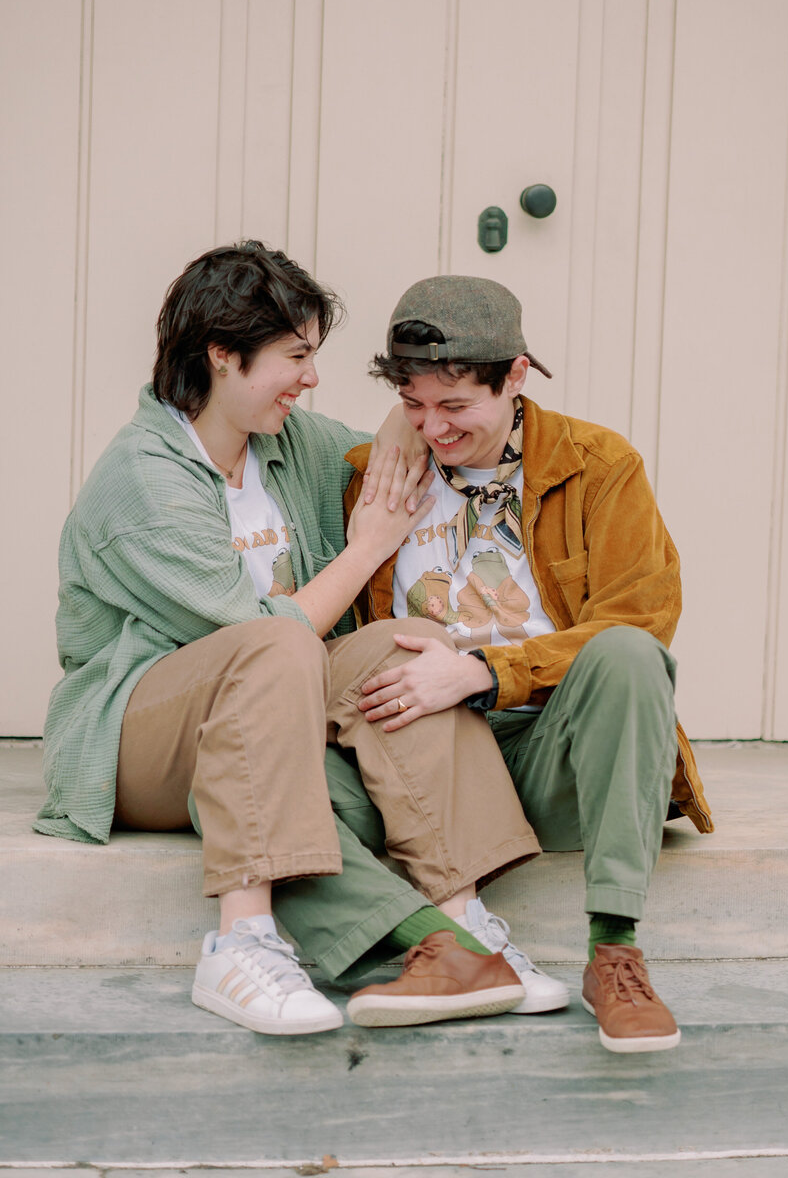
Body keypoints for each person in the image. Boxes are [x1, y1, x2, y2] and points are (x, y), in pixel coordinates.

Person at [37, 242, 556, 1037]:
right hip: (140, 732)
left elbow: (411, 434)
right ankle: (241, 944)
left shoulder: (290, 444)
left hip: (271, 710)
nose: (311, 377)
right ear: (222, 356)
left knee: (408, 640)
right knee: (277, 644)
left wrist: (399, 420)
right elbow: (256, 636)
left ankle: (467, 922)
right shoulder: (145, 476)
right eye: (295, 356)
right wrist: (364, 549)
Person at [342, 274, 715, 1053]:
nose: (433, 429)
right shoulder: (368, 475)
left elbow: (644, 616)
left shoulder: (597, 463)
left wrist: (485, 672)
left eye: (455, 407)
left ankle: (614, 951)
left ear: (515, 377)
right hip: (426, 768)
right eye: (414, 405)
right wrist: (391, 428)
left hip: (553, 758)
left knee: (628, 652)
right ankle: (443, 948)